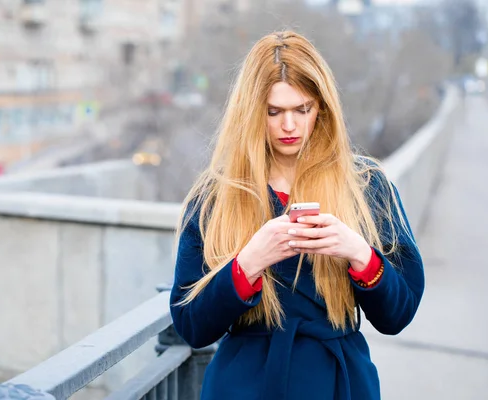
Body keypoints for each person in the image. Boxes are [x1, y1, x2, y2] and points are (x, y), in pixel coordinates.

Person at [169, 31, 425, 400]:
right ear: (251, 112)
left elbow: (398, 315)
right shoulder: (217, 195)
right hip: (244, 386)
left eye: (302, 109)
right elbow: (190, 325)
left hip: (338, 381)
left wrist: (360, 254)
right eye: (274, 112)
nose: (289, 126)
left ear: (321, 107)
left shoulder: (366, 184)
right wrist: (249, 263)